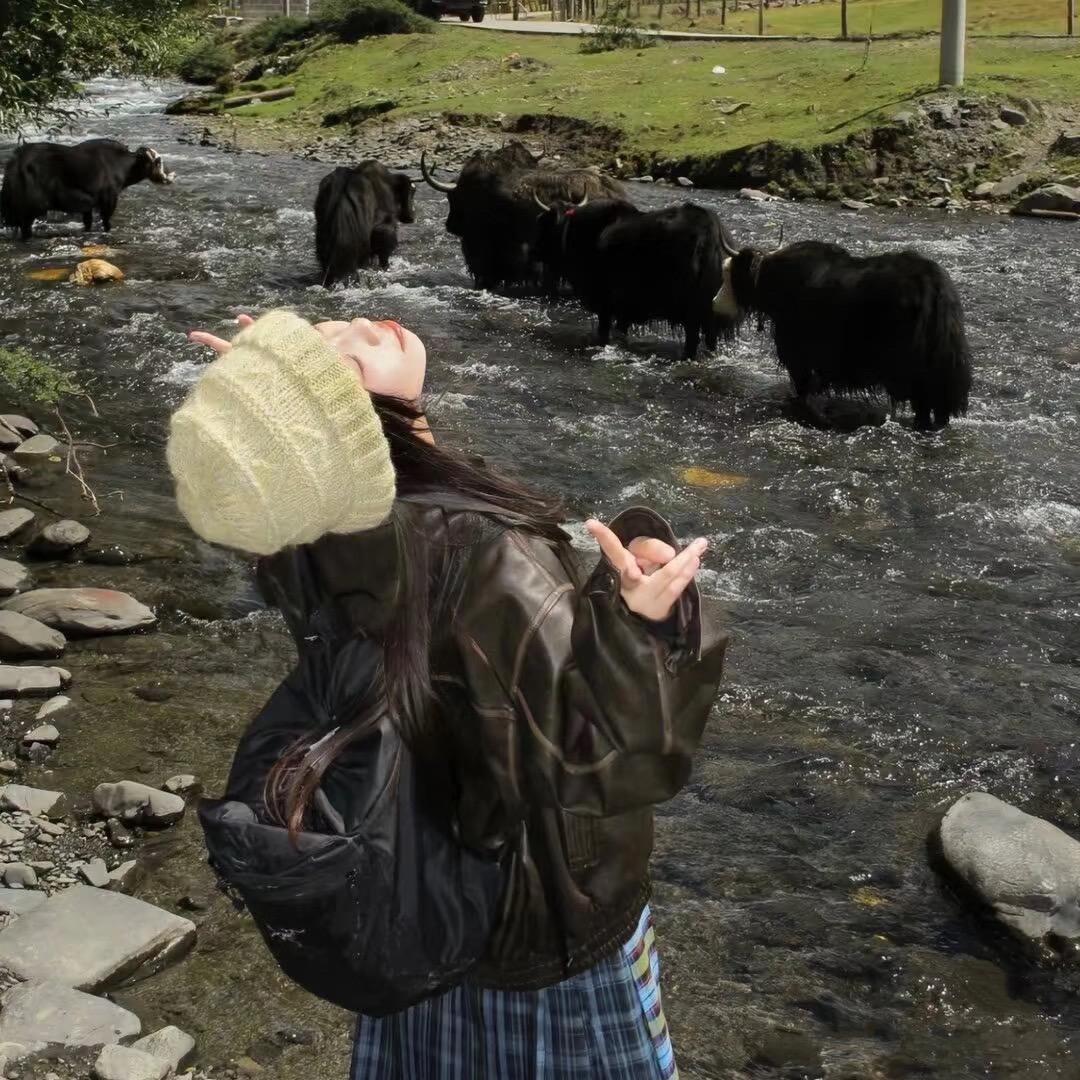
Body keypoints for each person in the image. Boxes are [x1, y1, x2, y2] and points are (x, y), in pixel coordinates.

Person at [167, 309, 729, 1080]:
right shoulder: (489, 551)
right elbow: (606, 763)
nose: (360, 322)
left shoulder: (305, 526)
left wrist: (276, 420)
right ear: (343, 415)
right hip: (539, 921)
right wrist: (646, 627)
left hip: (414, 882)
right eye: (334, 352)